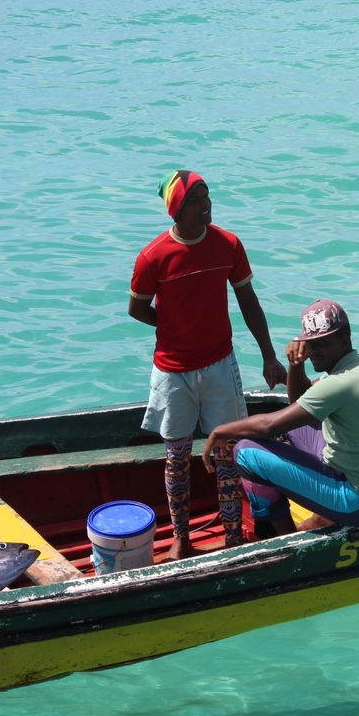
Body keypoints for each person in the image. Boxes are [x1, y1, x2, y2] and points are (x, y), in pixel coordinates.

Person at [129, 170, 286, 559]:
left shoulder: (228, 245)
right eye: (198, 200)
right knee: (176, 456)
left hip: (220, 364)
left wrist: (269, 355)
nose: (207, 205)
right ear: (178, 210)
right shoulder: (153, 257)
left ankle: (233, 536)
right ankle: (181, 537)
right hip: (172, 370)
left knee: (227, 454)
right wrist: (171, 327)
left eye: (208, 196)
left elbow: (249, 302)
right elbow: (136, 309)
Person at [201, 299, 359, 535]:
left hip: (357, 503)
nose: (314, 351)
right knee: (294, 426)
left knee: (246, 451)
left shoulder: (340, 383)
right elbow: (301, 399)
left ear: (345, 338)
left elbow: (269, 426)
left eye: (323, 343)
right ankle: (320, 514)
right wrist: (296, 364)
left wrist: (219, 432)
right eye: (311, 343)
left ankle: (283, 538)